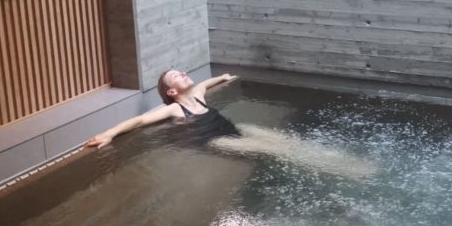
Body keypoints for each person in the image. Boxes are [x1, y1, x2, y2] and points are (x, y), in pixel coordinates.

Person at [85, 69, 375, 179]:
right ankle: (347, 171)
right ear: (171, 92)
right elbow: (138, 120)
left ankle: (345, 161)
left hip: (233, 129)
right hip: (216, 141)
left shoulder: (197, 93)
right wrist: (108, 134)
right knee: (278, 152)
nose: (183, 73)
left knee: (288, 141)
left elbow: (206, 82)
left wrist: (222, 78)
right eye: (176, 75)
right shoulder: (174, 110)